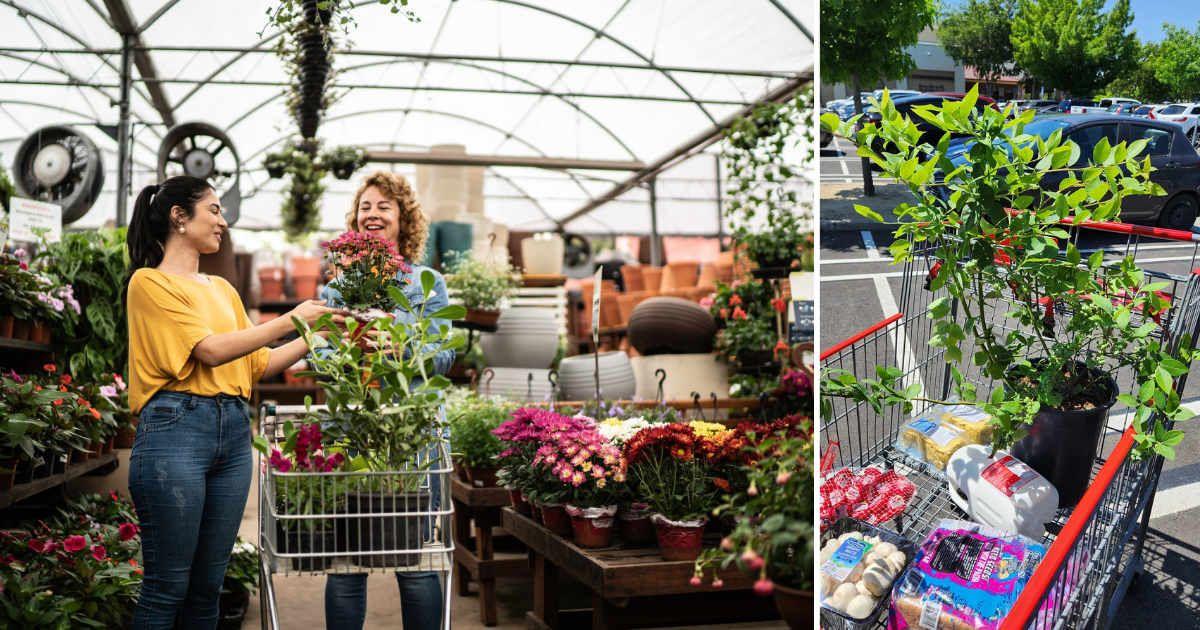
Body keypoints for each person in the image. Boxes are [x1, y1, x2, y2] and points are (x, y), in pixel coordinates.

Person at [124, 175, 346, 629]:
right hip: (175, 431)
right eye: (214, 210)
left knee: (208, 590)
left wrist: (317, 334)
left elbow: (258, 364)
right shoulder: (149, 283)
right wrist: (290, 318)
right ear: (178, 217)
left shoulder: (222, 290)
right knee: (167, 588)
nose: (223, 222)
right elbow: (208, 350)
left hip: (231, 431)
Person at [321, 171, 455, 630]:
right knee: (345, 562)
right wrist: (349, 351)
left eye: (384, 207)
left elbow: (444, 353)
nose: (373, 214)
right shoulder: (337, 288)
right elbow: (320, 353)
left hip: (411, 432)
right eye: (365, 207)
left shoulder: (427, 282)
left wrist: (398, 347)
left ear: (404, 220)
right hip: (354, 430)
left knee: (413, 558)